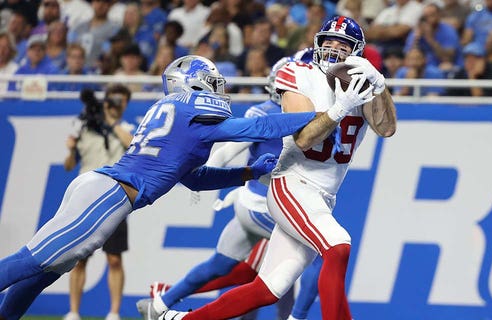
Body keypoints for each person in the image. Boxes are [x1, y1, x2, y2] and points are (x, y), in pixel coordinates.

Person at [0, 54, 317, 320]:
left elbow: (194, 178)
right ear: (193, 83)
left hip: (101, 188)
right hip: (110, 194)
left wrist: (246, 172)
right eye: (211, 81)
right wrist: (323, 116)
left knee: (44, 271)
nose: (218, 89)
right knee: (34, 260)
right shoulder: (192, 113)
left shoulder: (179, 116)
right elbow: (259, 127)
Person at [162, 15, 397, 320]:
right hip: (292, 183)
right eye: (328, 42)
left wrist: (379, 85)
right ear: (317, 44)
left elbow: (387, 127)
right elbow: (303, 139)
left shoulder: (362, 84)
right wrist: (339, 108)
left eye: (343, 44)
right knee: (338, 245)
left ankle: (182, 318)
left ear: (357, 52)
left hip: (323, 195)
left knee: (268, 289)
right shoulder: (298, 73)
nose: (334, 49)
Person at [62, 84, 134, 320]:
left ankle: (113, 313)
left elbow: (132, 145)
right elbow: (69, 166)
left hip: (114, 198)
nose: (117, 104)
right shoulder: (86, 128)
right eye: (113, 99)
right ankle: (73, 312)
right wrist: (71, 151)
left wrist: (111, 123)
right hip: (85, 197)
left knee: (114, 258)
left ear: (126, 104)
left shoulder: (127, 128)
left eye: (121, 101)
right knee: (79, 258)